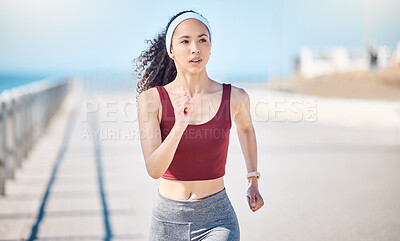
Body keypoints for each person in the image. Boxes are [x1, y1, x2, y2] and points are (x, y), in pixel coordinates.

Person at [134, 10, 264, 241]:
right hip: (167, 221)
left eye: (202, 39)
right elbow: (154, 169)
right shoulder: (151, 100)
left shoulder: (235, 97)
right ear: (171, 50)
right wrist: (179, 126)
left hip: (217, 219)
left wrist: (252, 180)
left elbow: (246, 129)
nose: (195, 48)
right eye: (185, 41)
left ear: (211, 46)